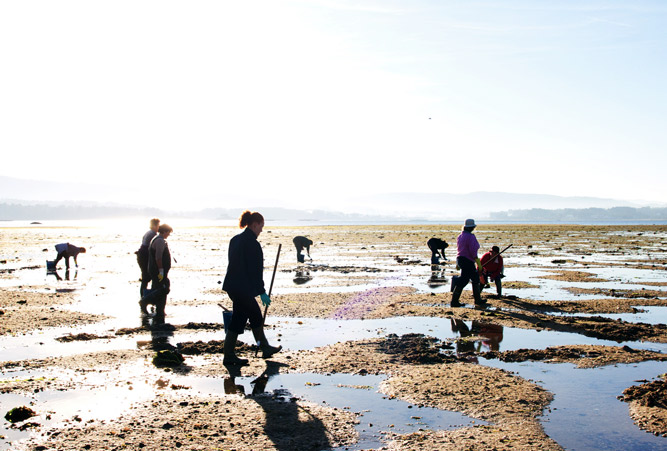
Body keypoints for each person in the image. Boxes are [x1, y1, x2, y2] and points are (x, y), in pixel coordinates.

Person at [222, 211, 281, 366]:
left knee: (240, 317)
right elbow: (255, 271)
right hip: (242, 288)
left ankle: (231, 354)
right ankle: (263, 348)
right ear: (254, 224)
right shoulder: (252, 244)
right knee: (254, 315)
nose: (261, 230)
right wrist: (261, 292)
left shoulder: (235, 240)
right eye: (261, 226)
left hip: (232, 286)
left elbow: (234, 265)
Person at [142, 223, 173, 322]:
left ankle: (159, 310)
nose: (169, 235)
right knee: (162, 289)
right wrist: (161, 271)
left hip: (154, 269)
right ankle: (152, 306)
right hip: (157, 270)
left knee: (157, 288)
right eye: (168, 232)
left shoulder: (157, 239)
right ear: (164, 231)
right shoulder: (159, 241)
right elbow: (158, 257)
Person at [451, 219, 485, 307]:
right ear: (472, 227)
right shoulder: (471, 237)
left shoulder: (460, 236)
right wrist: (479, 263)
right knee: (469, 279)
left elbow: (460, 250)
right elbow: (473, 251)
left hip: (460, 259)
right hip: (467, 260)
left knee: (469, 279)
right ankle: (476, 300)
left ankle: (476, 300)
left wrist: (457, 263)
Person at [136, 218, 160, 298]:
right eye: (158, 226)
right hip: (144, 257)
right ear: (154, 226)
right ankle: (145, 297)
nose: (158, 228)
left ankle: (144, 296)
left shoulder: (149, 233)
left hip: (141, 255)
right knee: (147, 277)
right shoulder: (152, 234)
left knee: (145, 277)